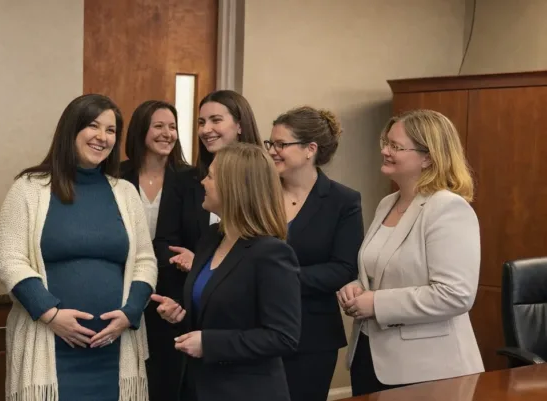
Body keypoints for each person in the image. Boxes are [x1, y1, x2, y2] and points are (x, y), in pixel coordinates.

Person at [0, 94, 158, 401]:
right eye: (93, 126)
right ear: (71, 129)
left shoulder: (125, 192)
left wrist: (130, 312)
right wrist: (50, 314)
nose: (102, 137)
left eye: (111, 130)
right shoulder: (29, 188)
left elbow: (145, 261)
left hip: (115, 350)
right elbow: (11, 259)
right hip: (49, 347)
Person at [338, 109, 483, 396]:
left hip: (426, 369)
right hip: (370, 355)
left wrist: (377, 303)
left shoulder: (447, 208)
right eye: (386, 142)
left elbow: (455, 294)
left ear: (428, 157)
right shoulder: (387, 203)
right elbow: (382, 274)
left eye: (395, 146)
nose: (385, 151)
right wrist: (357, 288)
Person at [152, 142, 301, 401]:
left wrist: (209, 344)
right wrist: (179, 316)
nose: (203, 183)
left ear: (233, 187)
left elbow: (282, 337)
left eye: (210, 176)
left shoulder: (271, 253)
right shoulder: (211, 238)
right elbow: (216, 313)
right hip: (198, 387)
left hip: (245, 392)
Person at [264, 106, 363, 401]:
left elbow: (344, 268)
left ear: (310, 149)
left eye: (281, 144)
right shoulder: (260, 193)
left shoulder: (343, 201)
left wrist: (283, 279)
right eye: (271, 144)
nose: (272, 151)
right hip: (255, 328)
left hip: (312, 334)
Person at [119, 100, 192, 401]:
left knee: (165, 376)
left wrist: (193, 257)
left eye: (172, 127)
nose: (167, 133)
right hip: (123, 286)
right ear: (141, 131)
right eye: (158, 126)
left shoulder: (192, 178)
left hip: (172, 293)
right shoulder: (115, 174)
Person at [155, 89, 263, 277]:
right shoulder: (183, 179)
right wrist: (184, 260)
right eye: (201, 122)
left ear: (240, 125)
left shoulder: (264, 181)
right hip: (187, 294)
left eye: (216, 120)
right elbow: (164, 244)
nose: (205, 130)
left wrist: (200, 262)